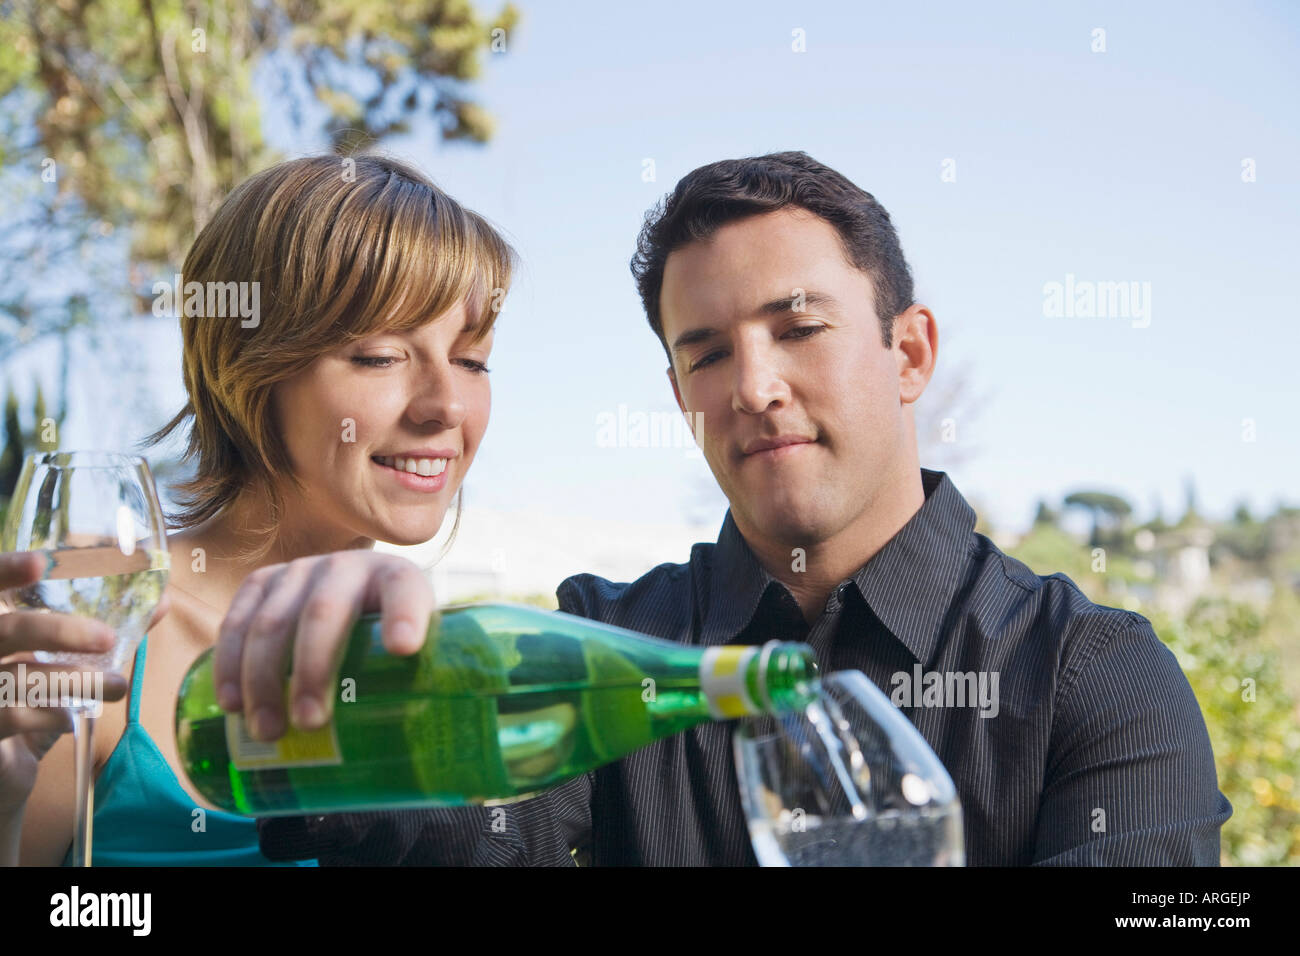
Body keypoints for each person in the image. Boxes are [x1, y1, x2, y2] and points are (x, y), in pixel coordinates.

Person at [237, 151, 1228, 866]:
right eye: (705, 352)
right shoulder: (601, 641)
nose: (752, 385)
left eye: (798, 327)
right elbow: (457, 845)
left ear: (910, 353)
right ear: (677, 393)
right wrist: (349, 694)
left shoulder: (1090, 674)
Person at [0, 152, 515, 865]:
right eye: (380, 356)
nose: (446, 405)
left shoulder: (442, 667)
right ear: (252, 367)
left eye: (472, 361)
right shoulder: (100, 639)